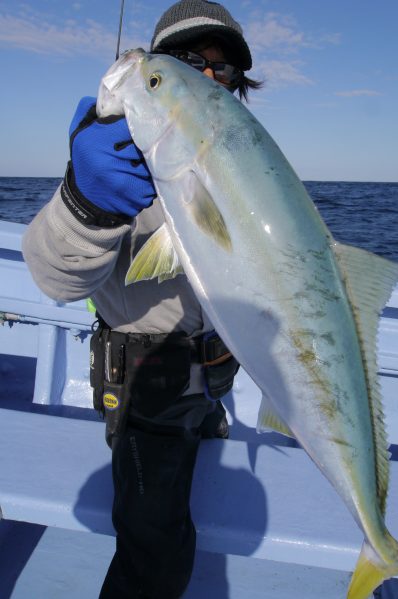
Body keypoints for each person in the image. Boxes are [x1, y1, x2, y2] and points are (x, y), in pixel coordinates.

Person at [22, 1, 262, 597]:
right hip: (143, 394)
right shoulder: (118, 165)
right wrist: (86, 200)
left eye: (222, 68)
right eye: (185, 61)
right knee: (154, 555)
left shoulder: (243, 172)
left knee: (196, 499)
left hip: (212, 386)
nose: (207, 76)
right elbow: (55, 277)